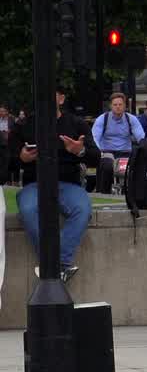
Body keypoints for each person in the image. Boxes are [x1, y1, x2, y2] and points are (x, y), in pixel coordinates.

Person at [12, 89, 99, 281]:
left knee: (82, 209)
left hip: (68, 183)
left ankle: (57, 263)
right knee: (28, 209)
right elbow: (8, 161)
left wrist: (80, 151)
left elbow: (96, 157)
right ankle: (54, 264)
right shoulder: (24, 125)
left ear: (61, 99)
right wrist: (21, 158)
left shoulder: (77, 124)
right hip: (34, 183)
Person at [89, 92, 146, 194]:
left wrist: (144, 146)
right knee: (107, 166)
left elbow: (141, 137)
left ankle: (130, 193)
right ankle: (104, 193)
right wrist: (98, 152)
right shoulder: (102, 119)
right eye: (115, 105)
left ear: (125, 106)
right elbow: (95, 138)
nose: (118, 107)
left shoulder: (131, 119)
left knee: (135, 167)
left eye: (120, 104)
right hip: (107, 152)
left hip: (125, 152)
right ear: (111, 106)